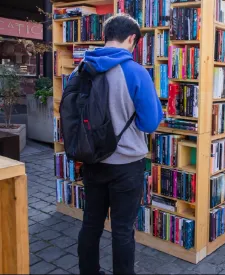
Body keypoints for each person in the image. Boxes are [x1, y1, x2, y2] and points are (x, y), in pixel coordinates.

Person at [75, 14, 163, 274]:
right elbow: (149, 123)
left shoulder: (82, 68)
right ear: (132, 39)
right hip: (126, 165)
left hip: (92, 160)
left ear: (106, 35)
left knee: (91, 224)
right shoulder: (136, 72)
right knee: (123, 231)